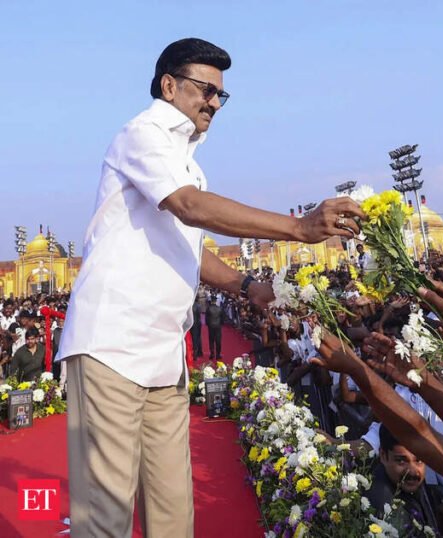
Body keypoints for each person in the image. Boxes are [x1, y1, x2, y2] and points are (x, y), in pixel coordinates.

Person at [56, 38, 364, 537]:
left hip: (163, 355)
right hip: (111, 345)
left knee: (173, 515)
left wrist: (246, 284)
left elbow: (190, 250)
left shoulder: (188, 165)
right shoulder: (142, 133)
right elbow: (189, 207)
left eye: (221, 95)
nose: (215, 103)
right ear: (169, 86)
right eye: (206, 90)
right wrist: (298, 227)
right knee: (105, 519)